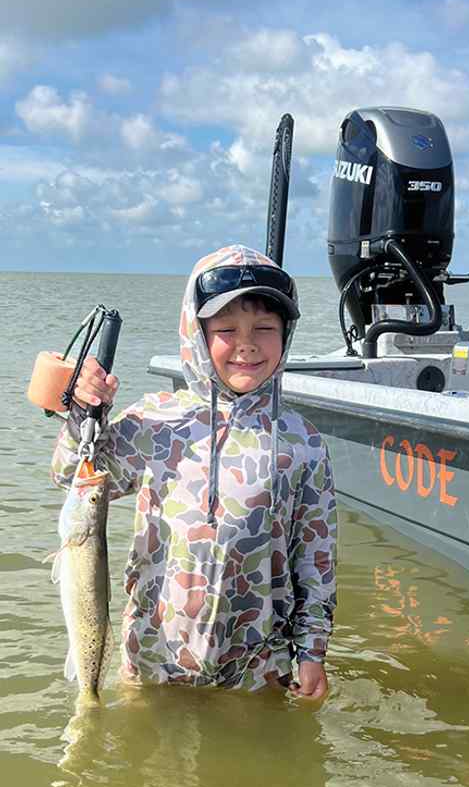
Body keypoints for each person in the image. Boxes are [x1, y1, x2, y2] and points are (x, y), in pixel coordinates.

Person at [52, 245, 337, 698]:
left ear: (287, 333)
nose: (247, 343)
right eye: (226, 330)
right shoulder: (156, 421)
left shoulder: (303, 441)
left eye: (265, 329)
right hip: (154, 659)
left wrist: (313, 651)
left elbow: (315, 559)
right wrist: (84, 417)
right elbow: (72, 477)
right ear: (196, 335)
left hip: (258, 666)